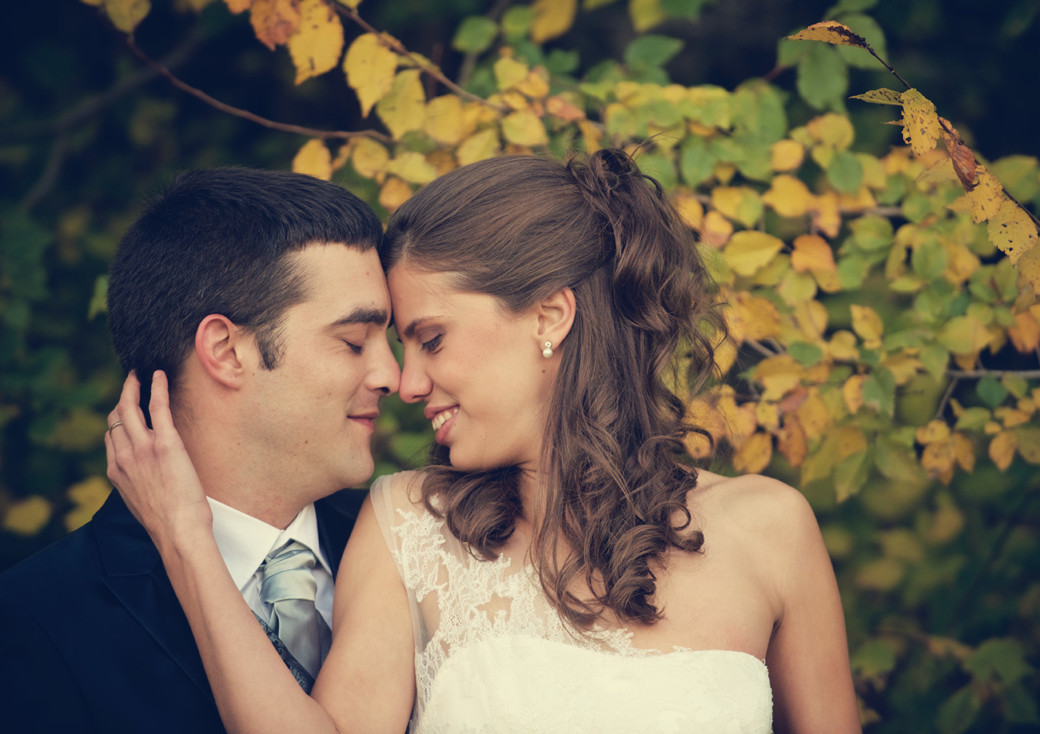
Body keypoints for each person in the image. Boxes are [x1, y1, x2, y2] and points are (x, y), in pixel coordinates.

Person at [105, 150, 861, 732]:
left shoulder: (772, 530)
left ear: (549, 317)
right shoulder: (406, 523)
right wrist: (186, 537)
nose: (405, 382)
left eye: (430, 339)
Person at [0, 167, 400, 733]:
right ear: (226, 351)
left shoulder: (420, 550)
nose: (392, 375)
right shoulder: (38, 620)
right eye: (354, 341)